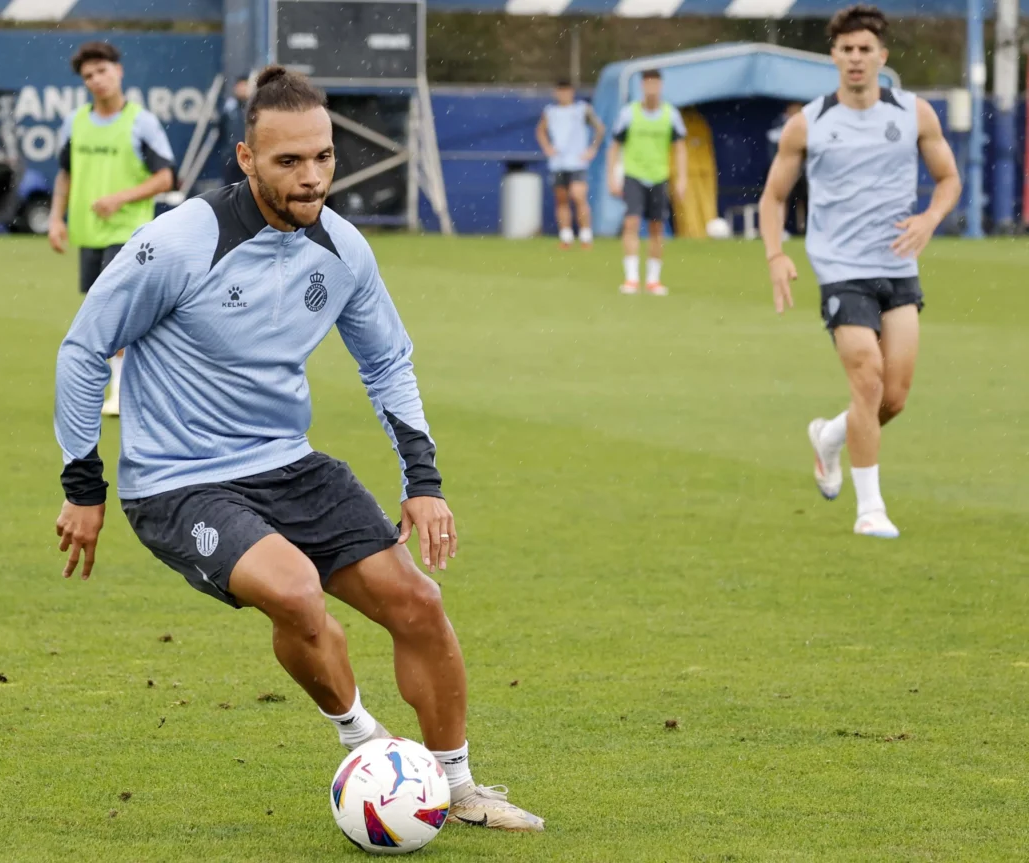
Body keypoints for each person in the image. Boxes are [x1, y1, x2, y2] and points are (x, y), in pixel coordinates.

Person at [53, 65, 545, 833]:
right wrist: (84, 485)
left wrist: (425, 479)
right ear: (247, 158)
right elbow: (85, 347)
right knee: (295, 591)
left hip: (288, 462)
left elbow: (387, 360)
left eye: (322, 157)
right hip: (179, 482)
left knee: (419, 605)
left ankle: (459, 784)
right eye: (288, 161)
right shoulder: (182, 242)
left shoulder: (344, 250)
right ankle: (366, 744)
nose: (310, 175)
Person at [759, 5, 960, 538]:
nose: (855, 58)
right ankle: (870, 509)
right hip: (840, 269)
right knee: (868, 382)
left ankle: (830, 437)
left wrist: (930, 218)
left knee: (893, 397)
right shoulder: (808, 123)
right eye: (845, 50)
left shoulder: (914, 114)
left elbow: (948, 180)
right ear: (833, 56)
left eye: (864, 49)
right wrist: (776, 254)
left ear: (881, 56)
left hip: (897, 267)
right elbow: (773, 197)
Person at [48, 40, 176, 418]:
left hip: (131, 233)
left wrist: (121, 198)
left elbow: (166, 177)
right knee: (107, 315)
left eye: (102, 71)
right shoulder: (75, 123)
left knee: (115, 314)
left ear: (118, 71)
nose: (96, 80)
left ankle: (121, 390)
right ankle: (133, 386)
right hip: (90, 233)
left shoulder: (141, 122)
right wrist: (56, 219)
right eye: (89, 76)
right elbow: (66, 175)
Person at [607, 69, 687, 296]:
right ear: (642, 87)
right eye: (648, 84)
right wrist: (612, 176)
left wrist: (681, 178)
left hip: (659, 176)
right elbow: (614, 146)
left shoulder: (670, 115)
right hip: (634, 175)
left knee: (657, 227)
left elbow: (680, 147)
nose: (652, 88)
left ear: (661, 86)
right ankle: (631, 278)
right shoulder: (629, 114)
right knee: (631, 223)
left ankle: (653, 279)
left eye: (655, 84)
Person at [535, 80, 604, 249]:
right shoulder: (550, 111)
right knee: (562, 199)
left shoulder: (582, 109)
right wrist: (547, 147)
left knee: (578, 196)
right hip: (558, 162)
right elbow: (540, 131)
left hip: (577, 162)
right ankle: (566, 237)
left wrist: (592, 149)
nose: (563, 95)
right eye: (560, 91)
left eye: (566, 91)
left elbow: (600, 128)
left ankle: (586, 236)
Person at [767, 102, 807, 235]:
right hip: (784, 172)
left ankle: (806, 229)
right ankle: (778, 230)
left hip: (803, 173)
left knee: (806, 200)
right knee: (780, 198)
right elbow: (773, 149)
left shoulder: (808, 122)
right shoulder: (778, 125)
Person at [222, 75, 252, 187]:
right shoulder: (229, 109)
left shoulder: (252, 109)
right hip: (231, 157)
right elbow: (221, 130)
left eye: (245, 86)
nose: (242, 89)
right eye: (240, 86)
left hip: (247, 156)